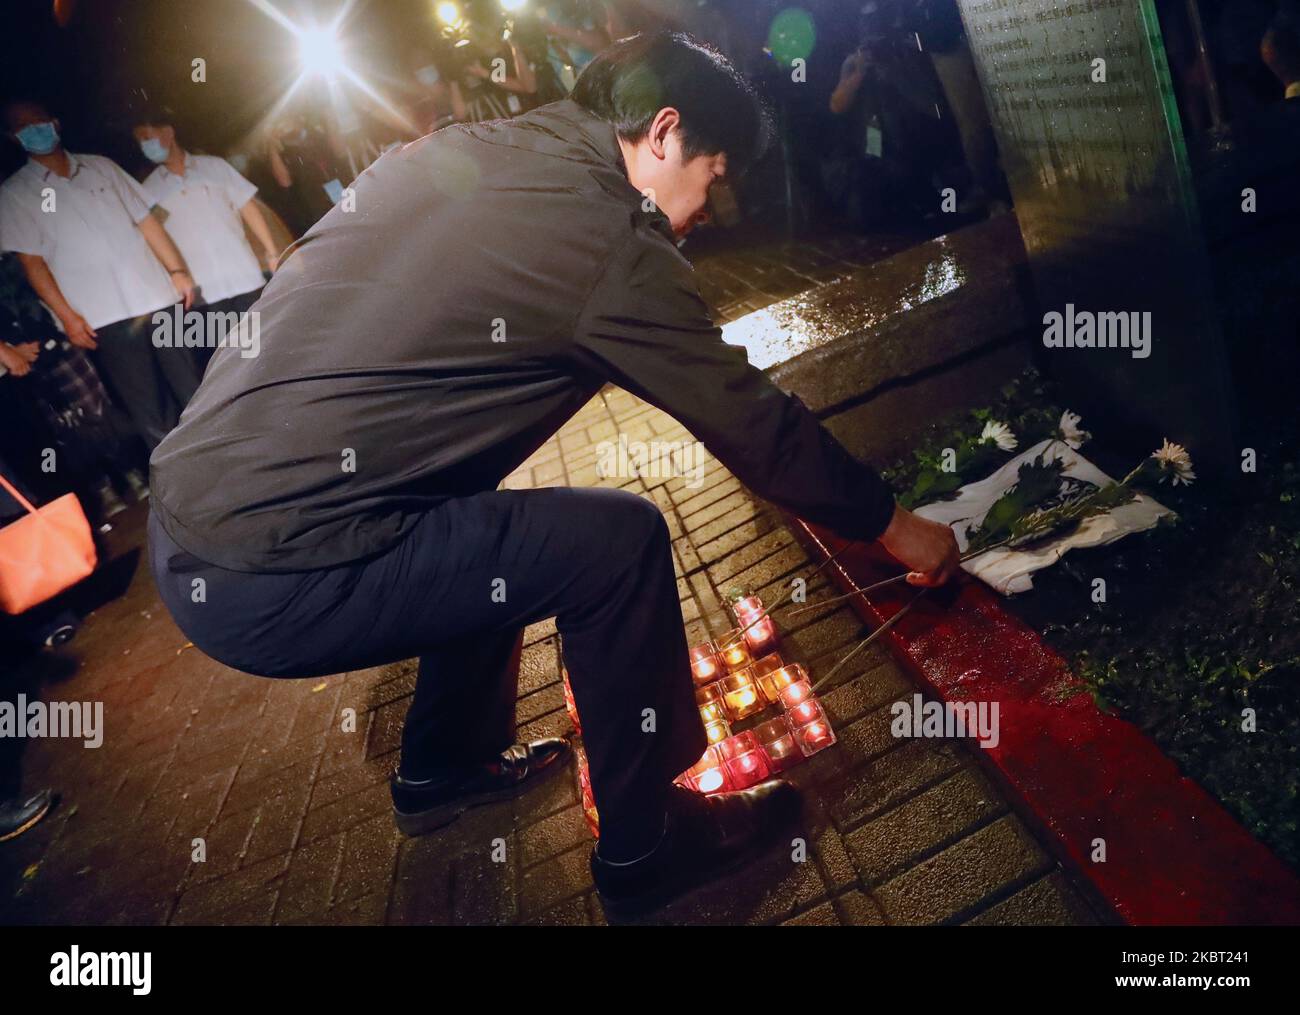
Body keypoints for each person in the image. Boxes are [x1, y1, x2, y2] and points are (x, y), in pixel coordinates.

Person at [147, 32, 959, 917]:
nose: (710, 207)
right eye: (715, 174)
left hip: (193, 514)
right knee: (615, 542)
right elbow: (750, 419)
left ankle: (441, 769)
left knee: (475, 525)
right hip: (271, 566)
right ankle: (649, 845)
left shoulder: (467, 147)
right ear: (663, 132)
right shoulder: (605, 231)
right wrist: (891, 523)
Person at [0, 99, 201, 452]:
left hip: (156, 297)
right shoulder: (15, 194)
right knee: (149, 407)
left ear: (55, 123)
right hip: (102, 317)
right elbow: (33, 263)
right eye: (23, 127)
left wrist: (178, 270)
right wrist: (68, 318)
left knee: (195, 386)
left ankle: (229, 464)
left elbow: (146, 221)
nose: (35, 131)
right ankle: (187, 485)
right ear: (13, 138)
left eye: (39, 122)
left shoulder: (101, 167)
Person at [133, 111, 280, 372]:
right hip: (205, 294)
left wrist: (271, 251)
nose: (145, 146)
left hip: (245, 277)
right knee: (236, 364)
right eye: (140, 142)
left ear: (168, 133)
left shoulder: (214, 167)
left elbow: (248, 207)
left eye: (148, 137)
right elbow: (155, 240)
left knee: (271, 348)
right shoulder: (149, 189)